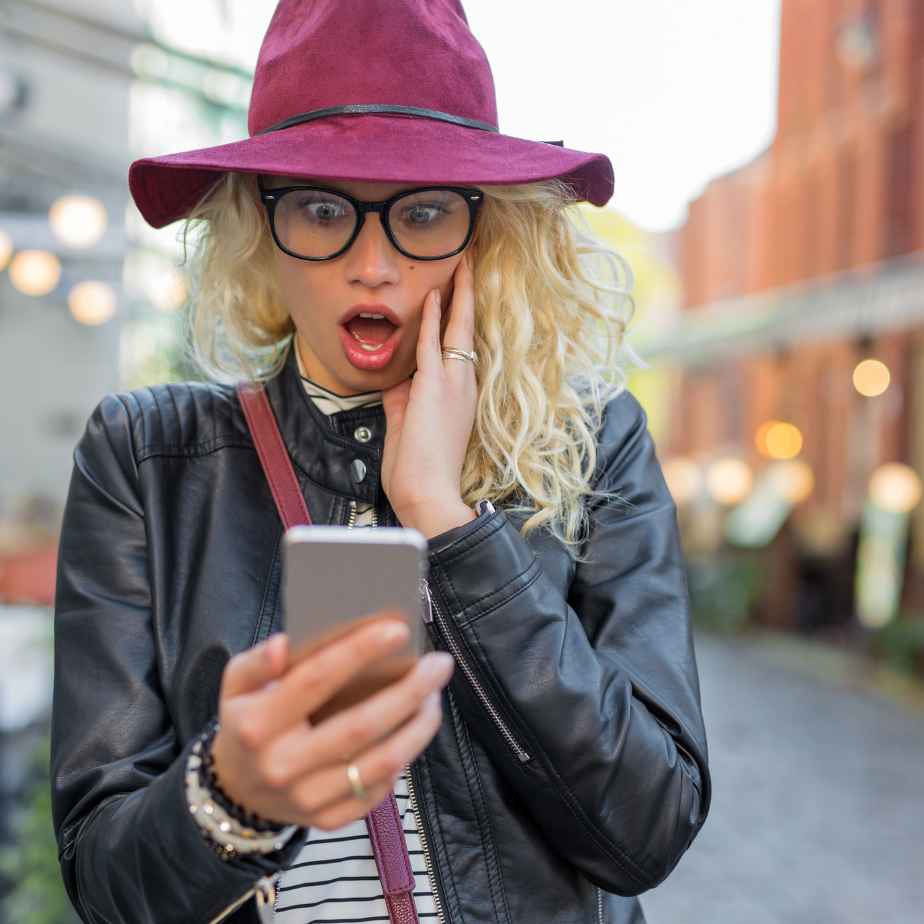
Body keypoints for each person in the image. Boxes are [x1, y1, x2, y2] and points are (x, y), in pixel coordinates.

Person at [51, 1, 710, 923]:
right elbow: (105, 886)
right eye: (322, 209)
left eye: (424, 210)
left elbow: (648, 830)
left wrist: (448, 521)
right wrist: (232, 793)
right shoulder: (149, 460)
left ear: (486, 230)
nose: (373, 264)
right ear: (258, 225)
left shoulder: (591, 443)